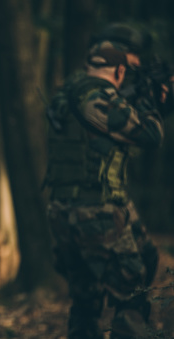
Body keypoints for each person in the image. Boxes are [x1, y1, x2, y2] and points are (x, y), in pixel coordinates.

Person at [44, 24, 166, 339]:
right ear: (120, 70)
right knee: (132, 293)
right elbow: (150, 135)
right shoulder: (96, 97)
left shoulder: (69, 91)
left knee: (86, 299)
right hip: (95, 212)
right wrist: (153, 103)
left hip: (64, 210)